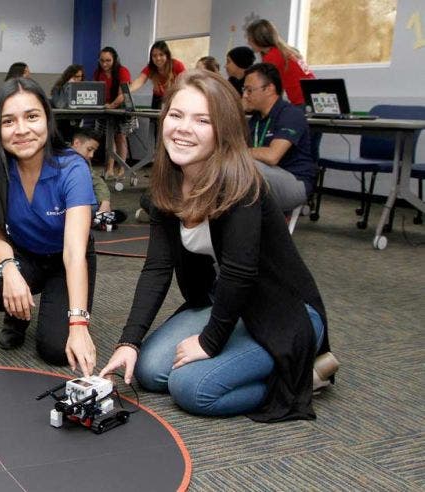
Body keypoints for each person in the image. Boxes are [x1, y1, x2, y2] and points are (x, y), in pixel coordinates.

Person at [97, 69, 333, 422]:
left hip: (283, 311)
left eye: (202, 120)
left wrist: (209, 342)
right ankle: (267, 364)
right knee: (147, 371)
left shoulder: (243, 185)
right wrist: (128, 342)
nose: (183, 128)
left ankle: (300, 373)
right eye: (176, 115)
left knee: (192, 389)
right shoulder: (168, 183)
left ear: (223, 130)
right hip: (226, 302)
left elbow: (240, 273)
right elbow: (157, 269)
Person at [0, 77, 98, 375]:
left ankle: (43, 306)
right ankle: (17, 315)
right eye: (8, 121)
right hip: (24, 252)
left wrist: (79, 323)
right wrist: (9, 270)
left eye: (32, 117)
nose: (21, 130)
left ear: (47, 118)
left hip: (65, 257)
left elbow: (74, 254)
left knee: (56, 350)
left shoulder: (72, 168)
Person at [242, 63, 316, 211]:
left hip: (294, 181)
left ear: (269, 89)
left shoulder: (290, 114)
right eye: (244, 90)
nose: (245, 95)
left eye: (249, 90)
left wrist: (237, 153)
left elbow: (272, 156)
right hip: (266, 176)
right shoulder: (256, 119)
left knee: (242, 166)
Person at [246, 19, 315, 106]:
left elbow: (272, 89)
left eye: (249, 39)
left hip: (303, 100)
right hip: (311, 96)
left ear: (258, 39)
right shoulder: (287, 51)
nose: (248, 42)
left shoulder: (273, 56)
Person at [93, 46, 132, 176]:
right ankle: (109, 169)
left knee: (120, 138)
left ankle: (121, 168)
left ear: (114, 60)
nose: (105, 64)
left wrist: (112, 105)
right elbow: (96, 92)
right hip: (106, 108)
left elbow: (123, 95)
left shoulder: (122, 71)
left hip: (121, 108)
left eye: (108, 60)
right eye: (102, 60)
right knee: (109, 139)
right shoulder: (98, 73)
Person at [129, 41, 186, 109]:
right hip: (158, 96)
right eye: (154, 56)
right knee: (154, 118)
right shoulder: (150, 68)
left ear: (167, 55)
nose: (158, 58)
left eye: (161, 55)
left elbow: (185, 83)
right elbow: (139, 81)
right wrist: (128, 90)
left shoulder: (177, 65)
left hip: (173, 95)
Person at [71, 128, 112, 213]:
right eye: (89, 149)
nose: (91, 155)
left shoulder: (83, 159)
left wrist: (105, 202)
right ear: (76, 143)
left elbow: (96, 181)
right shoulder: (59, 157)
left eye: (93, 151)